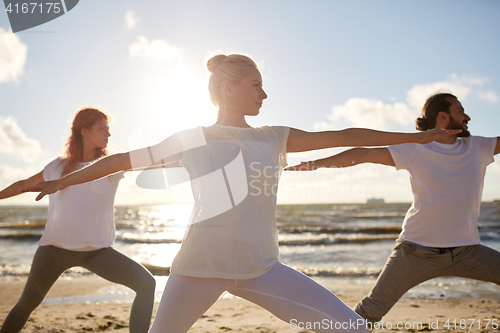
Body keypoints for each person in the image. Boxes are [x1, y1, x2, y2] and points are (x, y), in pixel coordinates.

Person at [22, 55, 458, 333]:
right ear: (228, 87)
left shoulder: (274, 136)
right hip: (198, 267)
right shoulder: (193, 137)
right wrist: (61, 181)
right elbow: (118, 161)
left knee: (350, 328)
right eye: (256, 85)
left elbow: (342, 133)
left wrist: (417, 138)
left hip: (261, 267)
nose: (264, 93)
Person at [286, 92, 500, 323]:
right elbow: (364, 154)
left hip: (467, 251)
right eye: (460, 111)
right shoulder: (416, 149)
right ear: (443, 117)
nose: (466, 116)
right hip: (416, 252)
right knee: (369, 312)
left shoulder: (479, 147)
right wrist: (317, 164)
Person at [0, 108, 156, 333]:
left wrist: (186, 156)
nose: (108, 134)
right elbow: (23, 183)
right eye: (102, 128)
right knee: (26, 304)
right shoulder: (56, 167)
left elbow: (151, 161)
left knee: (146, 284)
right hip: (54, 250)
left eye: (108, 129)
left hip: (98, 252)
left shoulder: (111, 165)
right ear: (84, 131)